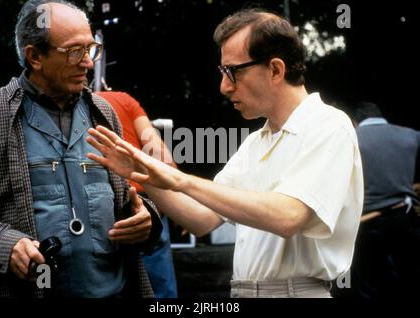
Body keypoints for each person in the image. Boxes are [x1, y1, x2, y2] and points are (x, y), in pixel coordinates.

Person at [86, 9, 364, 298]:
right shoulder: (256, 142)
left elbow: (288, 216)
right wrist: (144, 176)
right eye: (223, 72)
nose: (224, 86)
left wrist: (181, 180)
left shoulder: (328, 125)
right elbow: (202, 218)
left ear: (276, 70)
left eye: (234, 71)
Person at [0, 0, 162, 298]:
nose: (88, 62)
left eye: (90, 48)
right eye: (74, 51)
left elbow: (127, 201)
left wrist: (146, 219)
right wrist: (3, 243)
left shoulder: (103, 113)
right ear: (35, 56)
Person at [96, 91, 178, 298]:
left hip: (99, 207)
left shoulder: (64, 110)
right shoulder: (124, 100)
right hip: (146, 202)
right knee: (160, 290)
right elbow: (156, 149)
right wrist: (180, 197)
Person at [335, 101, 420, 298]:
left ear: (355, 122)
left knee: (366, 285)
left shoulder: (350, 139)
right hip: (405, 218)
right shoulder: (412, 135)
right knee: (409, 278)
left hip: (366, 225)